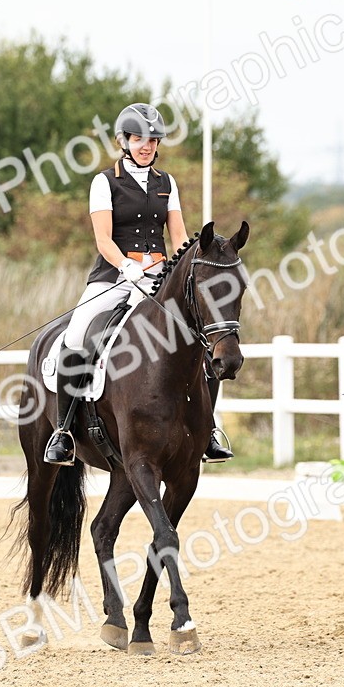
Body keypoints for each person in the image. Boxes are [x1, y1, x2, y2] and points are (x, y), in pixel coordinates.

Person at [43, 102, 233, 466]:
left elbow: (178, 235)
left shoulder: (166, 183)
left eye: (152, 139)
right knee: (77, 334)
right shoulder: (105, 182)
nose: (146, 145)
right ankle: (64, 432)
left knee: (199, 339)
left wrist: (184, 270)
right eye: (138, 139)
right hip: (114, 276)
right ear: (124, 141)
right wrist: (125, 265)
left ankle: (207, 431)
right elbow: (103, 239)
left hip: (160, 278)